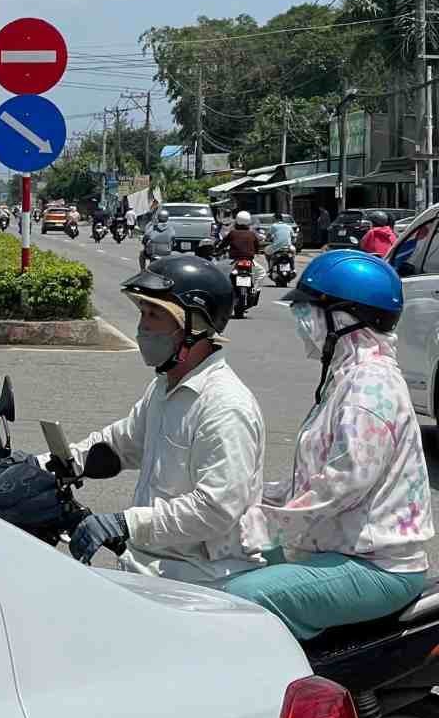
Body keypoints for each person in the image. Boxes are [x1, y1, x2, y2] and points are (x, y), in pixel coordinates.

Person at [226, 252, 432, 638]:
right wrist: (249, 501)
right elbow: (314, 477)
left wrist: (263, 521)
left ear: (341, 319)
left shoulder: (368, 389)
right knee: (233, 557)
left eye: (307, 311)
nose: (300, 323)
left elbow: (341, 486)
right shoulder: (346, 377)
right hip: (341, 547)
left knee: (242, 598)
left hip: (376, 565)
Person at [62, 255, 266, 583]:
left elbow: (216, 508)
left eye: (155, 314)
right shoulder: (165, 386)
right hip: (151, 566)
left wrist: (128, 522)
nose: (143, 326)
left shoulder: (225, 406)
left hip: (201, 580)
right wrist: (53, 463)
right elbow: (122, 443)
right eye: (142, 313)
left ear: (195, 326)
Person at [220, 210, 265, 288]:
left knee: (223, 275)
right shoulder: (252, 234)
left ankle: (228, 291)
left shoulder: (232, 233)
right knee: (262, 273)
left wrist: (217, 250)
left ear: (236, 222)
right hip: (249, 260)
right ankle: (255, 289)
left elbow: (223, 245)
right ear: (249, 223)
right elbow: (257, 246)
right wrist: (257, 251)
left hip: (234, 260)